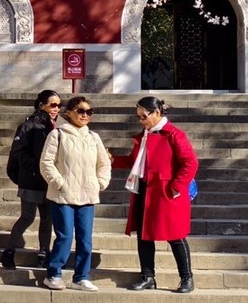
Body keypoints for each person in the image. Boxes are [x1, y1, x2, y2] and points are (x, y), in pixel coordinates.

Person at [112, 96, 199, 294]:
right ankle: (147, 276)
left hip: (166, 192)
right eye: (139, 117)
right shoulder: (145, 135)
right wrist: (111, 160)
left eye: (144, 116)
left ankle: (187, 278)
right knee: (143, 235)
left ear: (157, 113)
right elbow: (133, 162)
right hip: (145, 190)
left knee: (176, 236)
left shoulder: (174, 134)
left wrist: (176, 186)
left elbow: (190, 162)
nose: (141, 120)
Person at [38, 95, 111, 292]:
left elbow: (104, 163)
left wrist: (100, 183)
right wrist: (59, 182)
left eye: (89, 112)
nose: (85, 115)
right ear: (69, 113)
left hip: (87, 195)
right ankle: (53, 274)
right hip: (63, 195)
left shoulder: (94, 137)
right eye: (80, 111)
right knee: (64, 236)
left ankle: (81, 277)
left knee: (85, 239)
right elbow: (46, 163)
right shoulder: (57, 135)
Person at [0, 89, 60, 270]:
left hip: (49, 179)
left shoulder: (57, 126)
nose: (56, 109)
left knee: (47, 218)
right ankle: (8, 252)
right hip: (32, 179)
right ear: (41, 105)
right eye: (53, 105)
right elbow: (19, 151)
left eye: (59, 105)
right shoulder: (30, 125)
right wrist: (34, 167)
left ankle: (44, 253)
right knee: (27, 217)